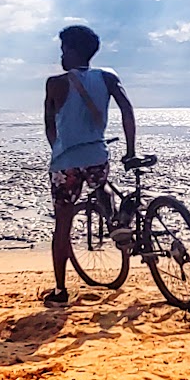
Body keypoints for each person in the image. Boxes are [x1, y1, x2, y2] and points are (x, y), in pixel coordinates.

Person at [41, 25, 136, 307]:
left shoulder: (54, 83)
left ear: (71, 51)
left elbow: (49, 125)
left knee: (63, 225)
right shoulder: (107, 77)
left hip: (65, 163)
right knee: (101, 184)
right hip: (96, 155)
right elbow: (127, 110)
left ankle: (60, 291)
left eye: (63, 49)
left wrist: (59, 149)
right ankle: (115, 220)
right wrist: (130, 150)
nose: (61, 55)